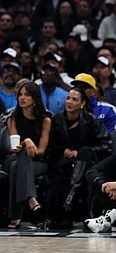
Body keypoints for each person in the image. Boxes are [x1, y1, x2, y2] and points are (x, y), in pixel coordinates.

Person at [46, 87, 110, 228]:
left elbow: (106, 144)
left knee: (86, 152)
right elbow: (49, 144)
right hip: (62, 161)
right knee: (67, 170)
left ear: (82, 104)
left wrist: (79, 153)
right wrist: (63, 151)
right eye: (68, 98)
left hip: (85, 161)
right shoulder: (56, 119)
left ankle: (71, 195)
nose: (69, 101)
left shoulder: (90, 120)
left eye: (74, 99)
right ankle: (69, 199)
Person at [3, 82, 51, 229]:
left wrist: (30, 147)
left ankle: (15, 215)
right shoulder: (12, 118)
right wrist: (26, 142)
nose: (22, 98)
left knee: (17, 167)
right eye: (20, 95)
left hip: (37, 162)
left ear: (35, 99)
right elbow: (14, 147)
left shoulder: (45, 120)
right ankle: (32, 200)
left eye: (27, 95)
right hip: (14, 156)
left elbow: (41, 151)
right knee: (20, 158)